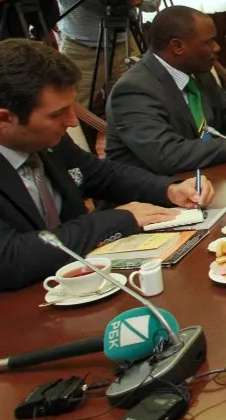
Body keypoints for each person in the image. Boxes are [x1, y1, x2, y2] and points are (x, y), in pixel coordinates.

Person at [0, 40, 214, 291]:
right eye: (58, 114)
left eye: (72, 108)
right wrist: (119, 219)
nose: (72, 122)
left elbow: (103, 175)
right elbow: (10, 258)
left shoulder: (47, 140)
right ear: (4, 118)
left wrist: (169, 189)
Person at [107, 6, 226, 175]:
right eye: (209, 42)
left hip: (208, 176)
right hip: (158, 191)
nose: (217, 48)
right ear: (177, 47)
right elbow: (168, 155)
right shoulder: (133, 90)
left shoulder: (196, 72)